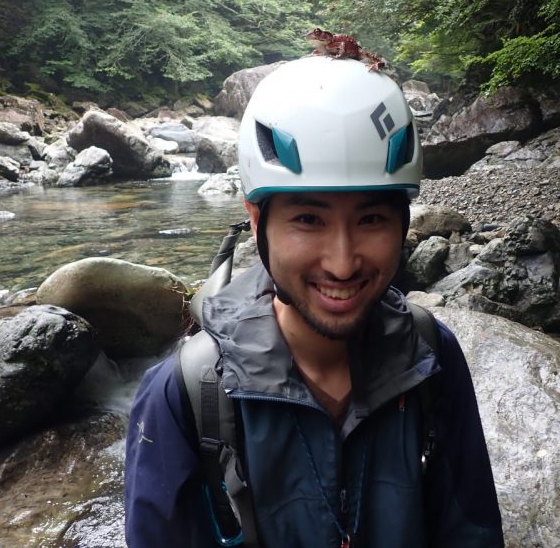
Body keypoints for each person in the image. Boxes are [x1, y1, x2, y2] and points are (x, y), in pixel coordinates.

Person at [124, 56, 504, 547]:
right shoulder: (187, 393)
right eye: (308, 220)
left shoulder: (430, 355)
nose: (342, 264)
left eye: (371, 220)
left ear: (404, 224)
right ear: (257, 222)